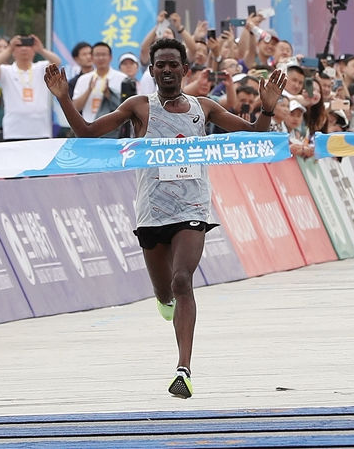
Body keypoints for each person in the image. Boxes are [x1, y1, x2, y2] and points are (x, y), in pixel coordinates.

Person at [44, 37, 286, 399]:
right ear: (152, 71)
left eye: (174, 64)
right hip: (152, 212)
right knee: (165, 292)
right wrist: (64, 97)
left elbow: (254, 136)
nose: (168, 70)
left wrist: (266, 109)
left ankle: (183, 370)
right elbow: (88, 133)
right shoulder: (139, 107)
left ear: (185, 70)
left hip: (192, 208)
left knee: (182, 280)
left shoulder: (203, 108)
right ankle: (164, 301)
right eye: (161, 65)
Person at [0, 34, 62, 140]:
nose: (24, 49)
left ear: (33, 50)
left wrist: (41, 50)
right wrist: (9, 49)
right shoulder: (6, 71)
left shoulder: (41, 68)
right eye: (19, 46)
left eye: (28, 45)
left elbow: (57, 62)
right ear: (13, 51)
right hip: (14, 131)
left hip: (40, 130)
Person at [71, 42, 128, 132]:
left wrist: (109, 94)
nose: (101, 58)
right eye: (97, 55)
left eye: (104, 55)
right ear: (92, 58)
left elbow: (128, 108)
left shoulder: (123, 79)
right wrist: (89, 90)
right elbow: (75, 108)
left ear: (111, 57)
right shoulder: (83, 79)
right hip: (88, 129)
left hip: (113, 131)